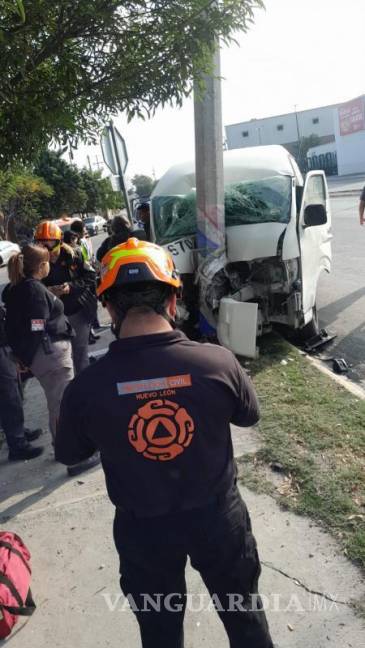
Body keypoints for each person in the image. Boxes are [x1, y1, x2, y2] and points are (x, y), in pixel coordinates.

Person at [55, 238, 274, 648]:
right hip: (219, 522)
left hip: (144, 532)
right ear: (173, 301)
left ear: (109, 308)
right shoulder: (217, 362)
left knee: (159, 633)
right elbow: (249, 416)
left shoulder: (86, 388)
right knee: (245, 619)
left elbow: (70, 452)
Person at [4, 244, 100, 477]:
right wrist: (30, 349)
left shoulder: (20, 287)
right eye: (48, 262)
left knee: (58, 403)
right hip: (50, 354)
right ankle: (73, 456)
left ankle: (64, 447)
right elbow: (36, 323)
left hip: (44, 355)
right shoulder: (34, 289)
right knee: (62, 406)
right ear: (41, 266)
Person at [34, 221, 97, 375]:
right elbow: (32, 288)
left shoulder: (73, 255)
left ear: (58, 241)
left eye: (49, 243)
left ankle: (83, 388)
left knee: (80, 353)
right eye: (41, 244)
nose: (46, 249)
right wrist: (48, 291)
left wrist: (71, 287)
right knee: (60, 357)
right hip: (53, 318)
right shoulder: (35, 261)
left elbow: (91, 276)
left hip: (76, 311)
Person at [0, 302, 44, 462]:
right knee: (9, 397)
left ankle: (18, 431)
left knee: (15, 393)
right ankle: (17, 444)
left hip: (5, 344)